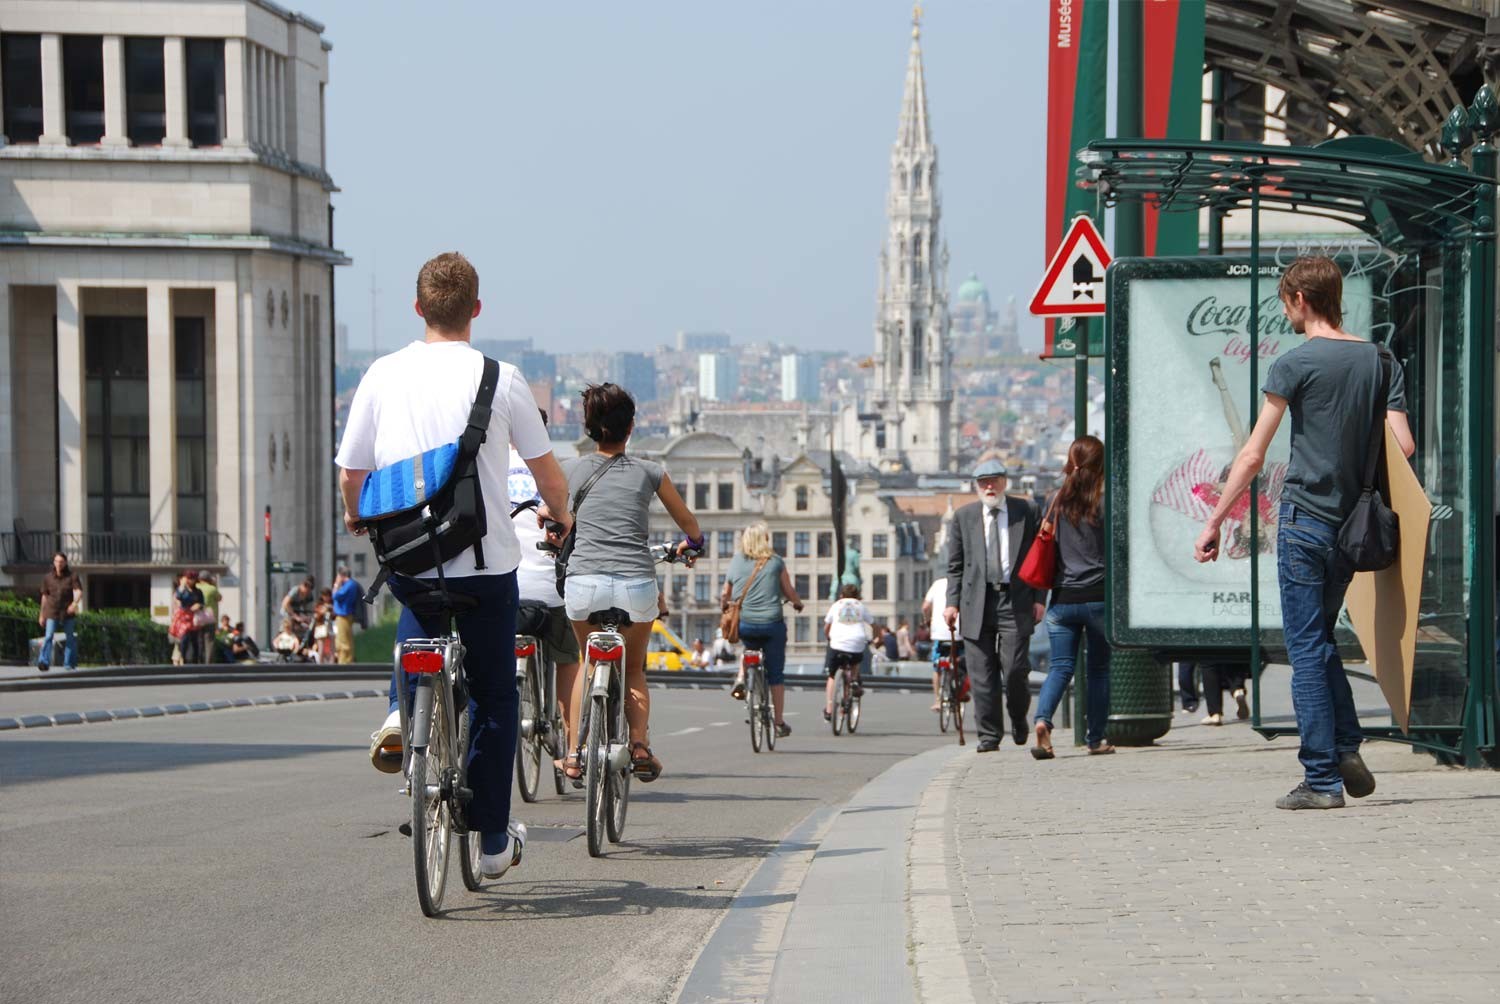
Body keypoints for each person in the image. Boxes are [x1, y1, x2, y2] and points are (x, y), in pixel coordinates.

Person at [337, 251, 572, 878]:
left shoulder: (381, 375)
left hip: (410, 556)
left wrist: (358, 517)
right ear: (476, 309)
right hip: (488, 560)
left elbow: (351, 473)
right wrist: (561, 516)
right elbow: (547, 474)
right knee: (496, 700)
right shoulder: (502, 378)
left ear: (418, 308)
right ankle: (492, 841)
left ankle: (401, 709)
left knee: (420, 607)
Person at [1193, 256, 1414, 810]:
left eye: (1285, 302)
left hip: (1303, 522)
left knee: (1306, 647)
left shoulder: (1295, 364)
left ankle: (1321, 778)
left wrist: (1215, 520)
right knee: (1319, 641)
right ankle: (1343, 746)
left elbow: (1251, 455)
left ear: (1299, 300)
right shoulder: (1381, 360)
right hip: (1351, 529)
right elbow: (1404, 447)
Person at [562, 382, 702, 783]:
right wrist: (694, 544)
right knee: (635, 668)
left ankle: (573, 754)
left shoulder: (570, 471)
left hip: (584, 584)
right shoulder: (650, 472)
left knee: (586, 663)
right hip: (637, 585)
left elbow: (551, 513)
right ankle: (639, 745)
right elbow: (689, 524)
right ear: (632, 426)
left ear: (588, 426)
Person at [944, 459, 1045, 752]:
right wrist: (952, 604)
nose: (989, 486)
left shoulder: (1026, 511)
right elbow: (955, 566)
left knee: (1014, 669)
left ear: (1005, 481)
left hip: (1015, 600)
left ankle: (1018, 717)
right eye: (983, 482)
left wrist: (1040, 599)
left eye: (994, 480)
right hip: (976, 601)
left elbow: (1041, 557)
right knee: (981, 675)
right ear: (976, 486)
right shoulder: (964, 517)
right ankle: (989, 735)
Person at [505, 422, 584, 782]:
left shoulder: (490, 464)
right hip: (553, 589)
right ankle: (572, 747)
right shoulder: (561, 465)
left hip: (508, 588)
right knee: (568, 662)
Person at [1032, 435, 1113, 758]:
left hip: (1062, 600)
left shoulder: (1055, 500)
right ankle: (1095, 738)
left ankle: (1042, 721)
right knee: (1098, 671)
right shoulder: (1105, 501)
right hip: (1098, 598)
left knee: (1060, 667)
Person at [722, 520, 804, 737]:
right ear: (765, 540)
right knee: (776, 674)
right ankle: (778, 722)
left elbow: (725, 593)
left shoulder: (736, 561)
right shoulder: (776, 562)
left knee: (749, 647)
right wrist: (797, 603)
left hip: (746, 624)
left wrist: (725, 606)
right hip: (772, 624)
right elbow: (789, 591)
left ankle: (741, 677)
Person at [823, 584, 871, 720]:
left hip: (837, 643)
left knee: (832, 676)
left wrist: (828, 636)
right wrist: (877, 639)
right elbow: (874, 624)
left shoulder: (836, 605)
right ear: (857, 596)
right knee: (856, 660)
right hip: (856, 642)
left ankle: (829, 709)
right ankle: (855, 680)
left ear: (841, 596)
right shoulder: (860, 606)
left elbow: (826, 626)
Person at [37, 551, 82, 672]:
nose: (59, 564)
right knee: (48, 636)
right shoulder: (48, 578)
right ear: (54, 562)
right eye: (57, 561)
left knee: (70, 637)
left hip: (67, 611)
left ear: (65, 563)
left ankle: (69, 663)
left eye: (61, 562)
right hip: (52, 611)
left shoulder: (72, 576)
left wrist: (74, 603)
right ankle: (43, 661)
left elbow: (78, 591)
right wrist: (42, 614)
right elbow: (44, 596)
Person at [922, 574, 958, 711]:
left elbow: (925, 607)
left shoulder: (937, 584)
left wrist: (928, 621)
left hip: (939, 632)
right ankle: (961, 692)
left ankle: (937, 699)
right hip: (958, 632)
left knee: (937, 667)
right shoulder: (965, 582)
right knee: (963, 662)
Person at [175, 571, 207, 664]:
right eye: (188, 578)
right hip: (184, 617)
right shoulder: (182, 590)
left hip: (195, 618)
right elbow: (178, 597)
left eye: (191, 579)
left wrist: (198, 605)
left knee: (195, 640)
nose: (190, 581)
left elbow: (202, 603)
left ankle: (195, 661)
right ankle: (183, 659)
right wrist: (182, 585)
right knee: (184, 638)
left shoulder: (198, 592)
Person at [331, 567, 361, 664]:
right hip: (344, 616)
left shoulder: (349, 585)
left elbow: (335, 596)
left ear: (341, 575)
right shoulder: (350, 585)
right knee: (341, 640)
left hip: (344, 615)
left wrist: (336, 584)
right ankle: (343, 660)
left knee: (343, 641)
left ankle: (345, 662)